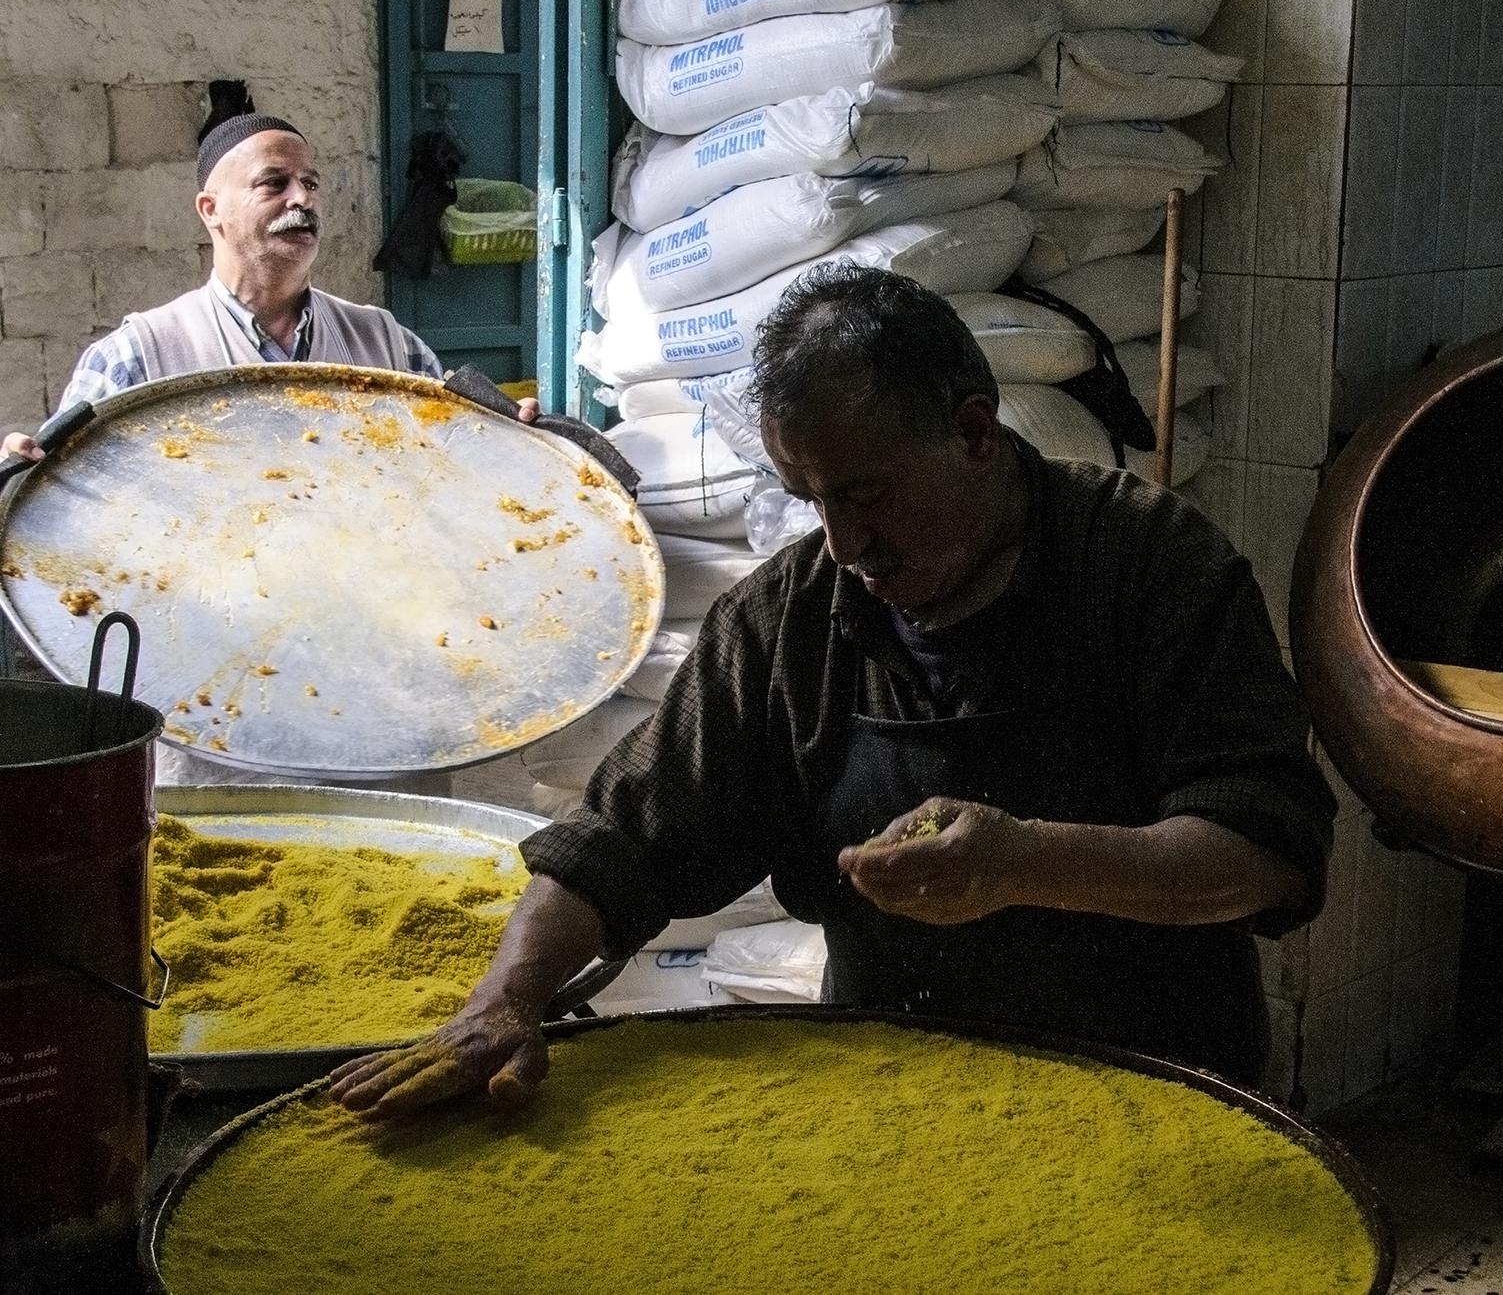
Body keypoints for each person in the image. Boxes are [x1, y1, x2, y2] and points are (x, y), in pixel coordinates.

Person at [329, 265, 1336, 1117]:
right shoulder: (790, 617)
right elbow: (623, 839)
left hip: (1153, 1096)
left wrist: (1027, 861)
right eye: (813, 501)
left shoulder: (1149, 565)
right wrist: (508, 996)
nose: (847, 544)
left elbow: (1264, 851)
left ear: (974, 430)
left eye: (865, 493)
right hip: (893, 1094)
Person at [2, 110, 540, 792]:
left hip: (376, 701)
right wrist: (22, 481)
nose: (302, 200)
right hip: (212, 710)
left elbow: (459, 490)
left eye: (311, 184)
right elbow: (66, 533)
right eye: (274, 183)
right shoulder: (139, 358)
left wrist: (514, 451)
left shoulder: (388, 347)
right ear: (211, 210)